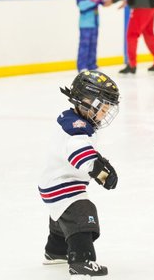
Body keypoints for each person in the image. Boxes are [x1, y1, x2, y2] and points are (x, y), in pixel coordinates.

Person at [39, 70, 120, 277]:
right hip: (63, 185)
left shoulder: (72, 119)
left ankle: (56, 250)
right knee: (82, 212)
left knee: (62, 216)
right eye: (102, 108)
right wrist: (101, 172)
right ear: (87, 102)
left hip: (53, 183)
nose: (104, 113)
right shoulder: (76, 129)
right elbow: (80, 154)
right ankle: (81, 260)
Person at [73, 0, 110, 72]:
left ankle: (92, 64)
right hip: (85, 25)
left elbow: (103, 2)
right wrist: (94, 0)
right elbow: (82, 6)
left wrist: (108, 0)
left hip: (95, 24)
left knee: (93, 45)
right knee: (84, 46)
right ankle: (82, 66)